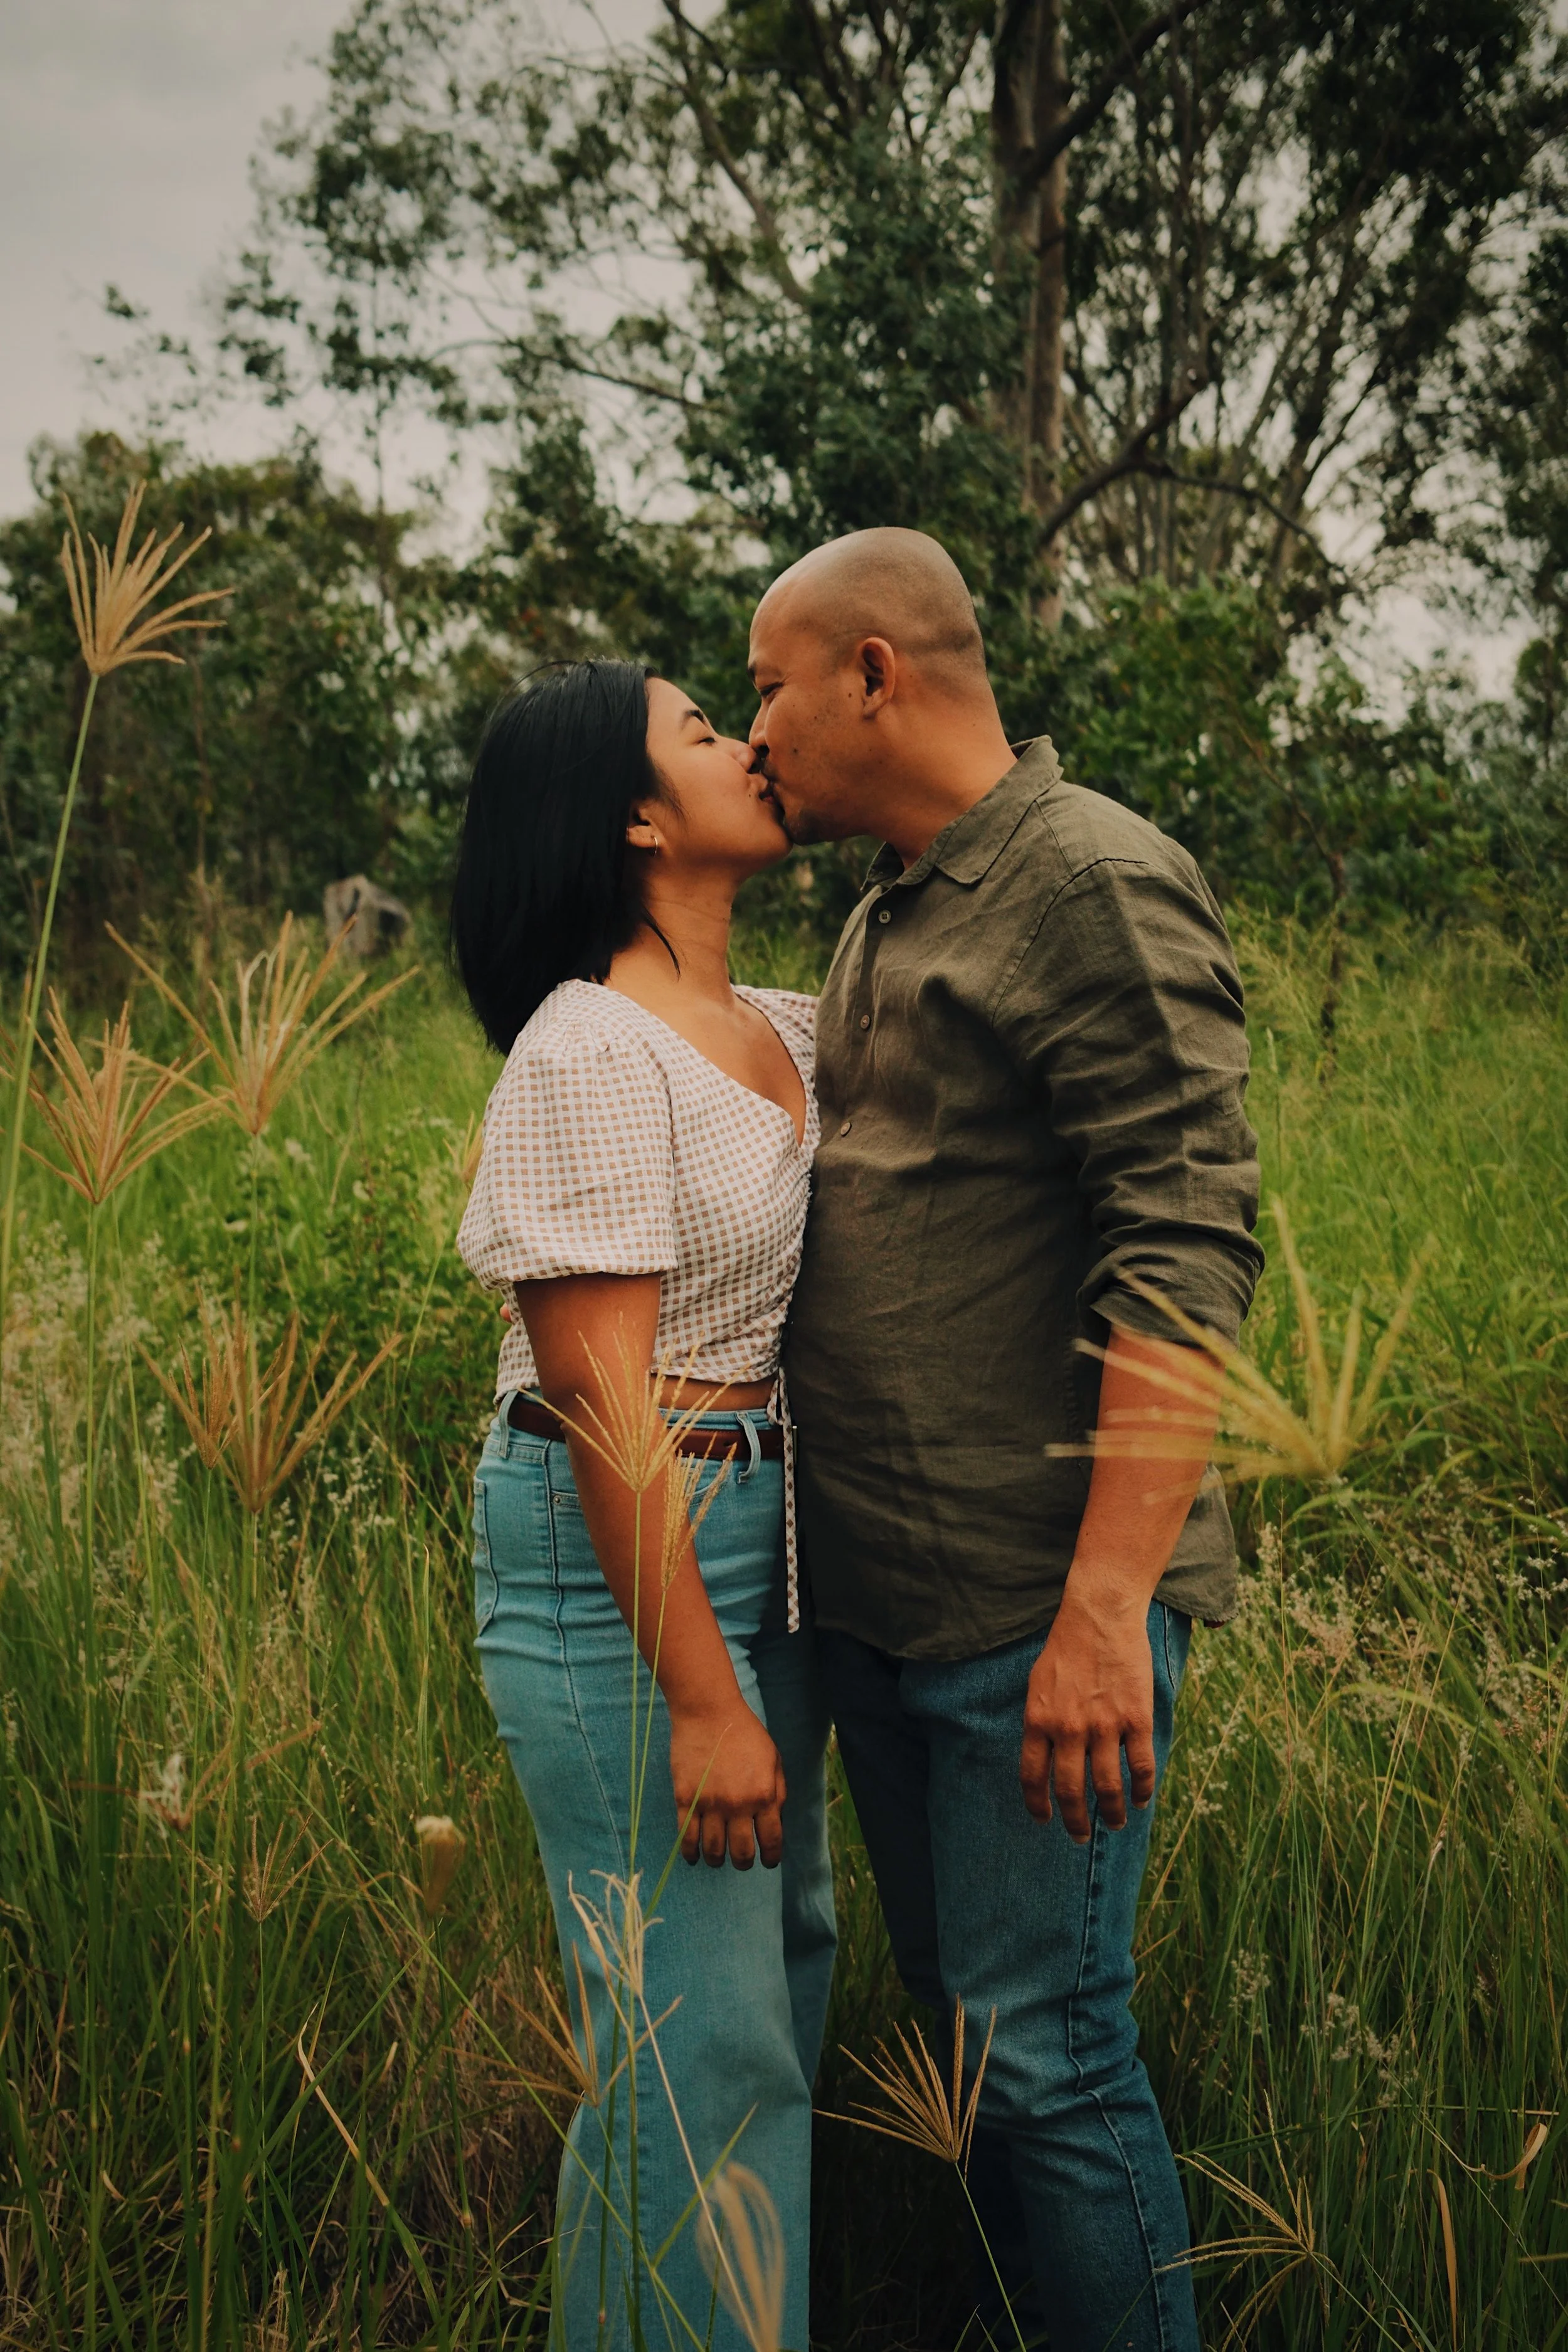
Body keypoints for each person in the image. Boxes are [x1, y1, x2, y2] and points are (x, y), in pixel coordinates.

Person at [748, 530, 1264, 2352]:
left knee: (1045, 2057)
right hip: (889, 1598)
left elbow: (1185, 1239)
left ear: (874, 672)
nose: (754, 732)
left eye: (767, 683)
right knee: (969, 2048)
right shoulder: (892, 899)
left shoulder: (1090, 879)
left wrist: (1107, 1604)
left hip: (1032, 1616)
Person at [451, 660, 836, 2352]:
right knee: (698, 2031)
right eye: (702, 732)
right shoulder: (588, 1045)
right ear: (631, 814)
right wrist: (700, 1695)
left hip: (773, 1527)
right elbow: (605, 1401)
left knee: (774, 1982)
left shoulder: (794, 1023)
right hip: (626, 1539)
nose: (747, 744)